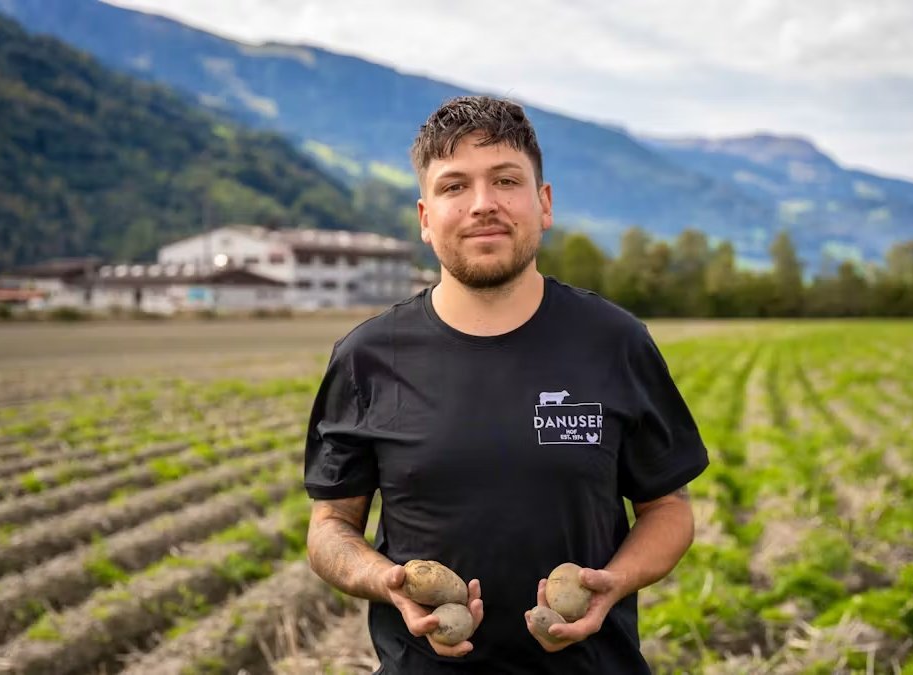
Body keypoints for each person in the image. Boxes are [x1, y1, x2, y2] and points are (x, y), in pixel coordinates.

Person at [303, 95, 709, 674]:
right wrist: (383, 579)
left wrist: (614, 582)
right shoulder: (368, 357)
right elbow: (330, 527)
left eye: (505, 180)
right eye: (453, 187)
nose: (483, 205)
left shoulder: (616, 342)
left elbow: (668, 508)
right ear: (424, 217)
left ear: (543, 203)